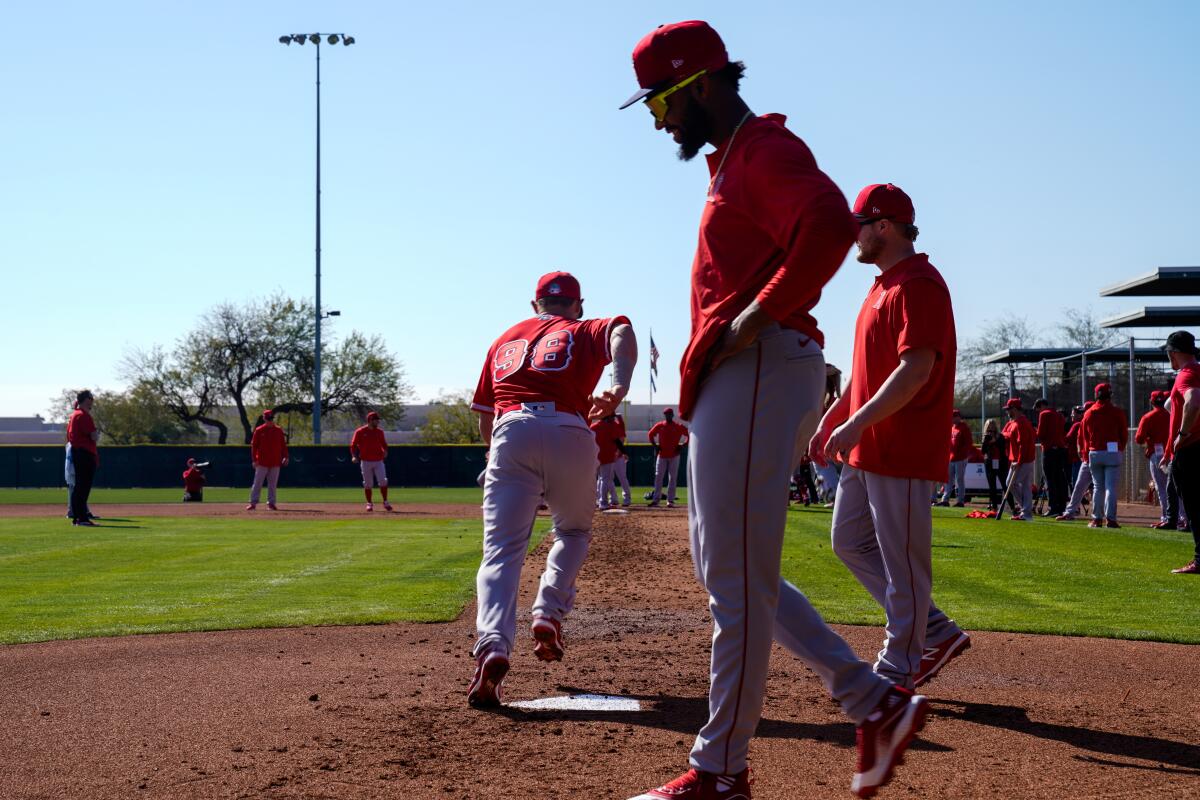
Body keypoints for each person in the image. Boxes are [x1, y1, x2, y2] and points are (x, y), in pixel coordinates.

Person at [620, 23, 927, 798]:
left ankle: (719, 772)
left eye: (660, 99)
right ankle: (872, 700)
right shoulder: (733, 163)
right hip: (745, 375)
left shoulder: (761, 150)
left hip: (761, 366)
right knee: (728, 569)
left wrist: (751, 320)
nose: (658, 119)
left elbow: (826, 224)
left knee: (734, 582)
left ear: (697, 85)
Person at [814, 183, 970, 691]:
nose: (853, 236)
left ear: (884, 226)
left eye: (860, 225)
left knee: (902, 560)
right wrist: (834, 414)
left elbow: (916, 368)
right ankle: (935, 631)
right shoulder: (882, 285)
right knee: (849, 541)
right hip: (868, 444)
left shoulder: (919, 282)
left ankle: (901, 662)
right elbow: (866, 374)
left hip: (901, 442)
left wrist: (857, 422)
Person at [467, 270, 636, 707]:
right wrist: (618, 385)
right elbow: (622, 330)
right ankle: (548, 609)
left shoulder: (505, 338)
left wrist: (497, 458)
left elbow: (486, 417)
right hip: (570, 427)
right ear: (576, 305)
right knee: (574, 531)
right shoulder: (582, 328)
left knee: (501, 551)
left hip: (511, 429)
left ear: (534, 305)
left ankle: (494, 645)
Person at [1161, 331, 1200, 574]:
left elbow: (1194, 400)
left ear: (1174, 353)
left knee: (1195, 507)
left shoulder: (1187, 373)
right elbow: (1173, 405)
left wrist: (1182, 434)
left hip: (1192, 449)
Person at [1079, 383, 1127, 528]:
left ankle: (1096, 519)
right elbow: (1123, 434)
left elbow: (1083, 437)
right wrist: (1120, 448)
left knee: (1098, 487)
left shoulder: (1089, 412)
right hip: (1112, 452)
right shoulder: (1117, 412)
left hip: (1095, 452)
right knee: (1110, 487)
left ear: (1096, 395)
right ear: (1110, 395)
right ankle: (1111, 519)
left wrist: (1085, 454)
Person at [1135, 391, 1171, 526]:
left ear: (1152, 402)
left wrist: (1149, 438)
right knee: (1175, 488)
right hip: (1172, 453)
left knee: (1162, 488)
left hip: (1157, 454)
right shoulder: (1171, 414)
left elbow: (1139, 438)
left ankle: (1166, 518)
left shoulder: (1148, 416)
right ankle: (1181, 518)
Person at [66, 390, 100, 527]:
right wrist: (96, 434)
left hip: (78, 452)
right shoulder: (83, 415)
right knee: (83, 487)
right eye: (91, 398)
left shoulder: (74, 415)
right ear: (86, 400)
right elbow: (93, 436)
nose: (92, 401)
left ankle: (78, 516)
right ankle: (82, 518)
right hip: (84, 453)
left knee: (79, 486)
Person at [1058, 403, 1094, 521]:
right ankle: (1098, 511)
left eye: (1076, 414)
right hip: (1084, 457)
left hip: (1080, 459)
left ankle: (1075, 509)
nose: (1073, 416)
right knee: (1094, 486)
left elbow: (1066, 439)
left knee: (1078, 485)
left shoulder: (1078, 424)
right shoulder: (1084, 423)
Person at [246, 409, 288, 511]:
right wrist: (254, 460)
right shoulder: (259, 430)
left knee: (272, 484)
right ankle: (253, 503)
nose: (270, 420)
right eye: (268, 418)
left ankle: (271, 503)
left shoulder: (278, 430)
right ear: (264, 418)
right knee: (257, 483)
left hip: (275, 461)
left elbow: (283, 445)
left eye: (271, 418)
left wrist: (286, 456)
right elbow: (254, 446)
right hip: (262, 461)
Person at [1002, 398, 1036, 520]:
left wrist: (1019, 461)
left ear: (1015, 409)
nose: (1007, 412)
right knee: (1025, 486)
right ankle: (1026, 513)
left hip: (1022, 460)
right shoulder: (1017, 422)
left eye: (1009, 409)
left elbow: (1023, 444)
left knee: (1011, 483)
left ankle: (1026, 509)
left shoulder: (1021, 423)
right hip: (1023, 459)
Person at [351, 411, 392, 512]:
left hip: (378, 460)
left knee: (383, 480)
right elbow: (353, 445)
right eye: (376, 420)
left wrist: (385, 451)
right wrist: (354, 456)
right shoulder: (360, 431)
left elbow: (384, 444)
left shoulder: (379, 432)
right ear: (370, 420)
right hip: (365, 461)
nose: (378, 422)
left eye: (378, 420)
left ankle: (385, 502)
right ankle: (369, 503)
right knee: (368, 483)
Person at [647, 408, 689, 507]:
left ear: (672, 415)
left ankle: (670, 500)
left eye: (669, 414)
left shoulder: (678, 426)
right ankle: (656, 500)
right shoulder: (660, 425)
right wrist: (655, 446)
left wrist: (683, 445)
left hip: (674, 456)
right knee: (658, 477)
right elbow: (650, 434)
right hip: (662, 455)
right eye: (666, 414)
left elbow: (689, 435)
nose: (668, 415)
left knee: (672, 478)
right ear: (664, 415)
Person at [1034, 399, 1069, 516]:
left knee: (1050, 480)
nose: (1038, 411)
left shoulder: (1044, 414)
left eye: (1038, 408)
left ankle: (1053, 507)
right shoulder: (1059, 415)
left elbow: (1041, 435)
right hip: (1060, 449)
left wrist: (1034, 431)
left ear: (1042, 406)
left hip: (1049, 450)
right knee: (1060, 479)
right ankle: (1061, 506)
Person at [938, 409, 972, 507]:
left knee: (959, 480)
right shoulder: (952, 427)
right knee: (948, 480)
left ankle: (960, 501)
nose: (952, 418)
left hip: (960, 458)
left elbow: (968, 443)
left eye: (953, 416)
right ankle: (945, 500)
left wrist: (963, 454)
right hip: (951, 458)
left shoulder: (964, 427)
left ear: (958, 417)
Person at [591, 412, 624, 510]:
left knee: (597, 480)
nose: (612, 419)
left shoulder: (593, 426)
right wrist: (624, 452)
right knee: (605, 480)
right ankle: (603, 503)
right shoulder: (610, 427)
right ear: (607, 417)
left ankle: (594, 501)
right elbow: (617, 441)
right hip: (607, 457)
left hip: (595, 457)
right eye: (611, 417)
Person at [979, 418, 1008, 512]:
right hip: (989, 463)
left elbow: (1003, 449)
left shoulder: (1000, 436)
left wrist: (995, 441)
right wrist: (986, 442)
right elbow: (983, 451)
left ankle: (1012, 507)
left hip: (1000, 463)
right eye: (988, 427)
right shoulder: (985, 437)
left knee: (1005, 485)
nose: (990, 430)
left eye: (992, 427)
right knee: (992, 486)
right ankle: (994, 507)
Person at [609, 412, 633, 507]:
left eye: (612, 416)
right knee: (608, 479)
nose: (611, 418)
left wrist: (619, 452)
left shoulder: (618, 425)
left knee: (622, 478)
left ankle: (627, 498)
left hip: (618, 457)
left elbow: (621, 439)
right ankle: (613, 499)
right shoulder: (606, 426)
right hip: (608, 457)